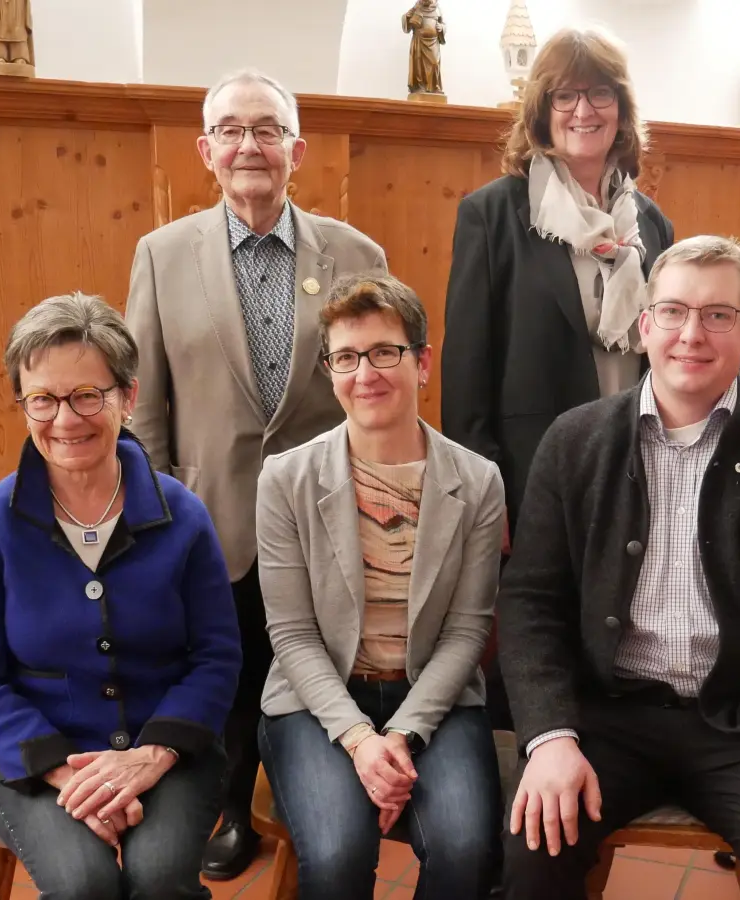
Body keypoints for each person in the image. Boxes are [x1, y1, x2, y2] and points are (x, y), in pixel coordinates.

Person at [496, 235, 740, 900]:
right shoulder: (574, 441)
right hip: (607, 717)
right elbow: (531, 601)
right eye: (672, 312)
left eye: (718, 315)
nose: (691, 334)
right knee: (532, 852)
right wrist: (551, 737)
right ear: (645, 326)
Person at [125, 67, 389, 880]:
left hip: (326, 515)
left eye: (267, 129)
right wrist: (157, 509)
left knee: (323, 661)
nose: (250, 145)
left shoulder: (355, 253)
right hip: (211, 515)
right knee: (229, 671)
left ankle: (329, 805)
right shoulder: (163, 255)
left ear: (295, 149)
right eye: (232, 130)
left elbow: (379, 386)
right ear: (206, 150)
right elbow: (144, 403)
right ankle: (231, 807)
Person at [0, 292, 241, 899]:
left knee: (159, 879)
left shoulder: (182, 514)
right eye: (43, 399)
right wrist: (69, 777)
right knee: (83, 885)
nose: (64, 419)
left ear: (128, 398)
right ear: (23, 404)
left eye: (87, 395)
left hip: (168, 749)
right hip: (37, 757)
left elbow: (216, 657)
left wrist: (150, 758)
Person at [256, 273, 505, 899]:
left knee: (467, 850)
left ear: (421, 364)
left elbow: (468, 630)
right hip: (319, 705)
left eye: (384, 352)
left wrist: (400, 737)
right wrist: (362, 742)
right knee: (339, 854)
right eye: (346, 357)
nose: (365, 372)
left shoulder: (478, 482)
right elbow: (291, 632)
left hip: (433, 700)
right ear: (331, 371)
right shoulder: (285, 479)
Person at [441, 25, 675, 533]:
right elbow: (466, 368)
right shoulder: (494, 214)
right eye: (564, 95)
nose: (583, 111)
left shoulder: (651, 224)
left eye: (600, 92)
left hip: (636, 472)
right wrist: (481, 488)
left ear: (622, 107)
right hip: (532, 475)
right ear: (541, 110)